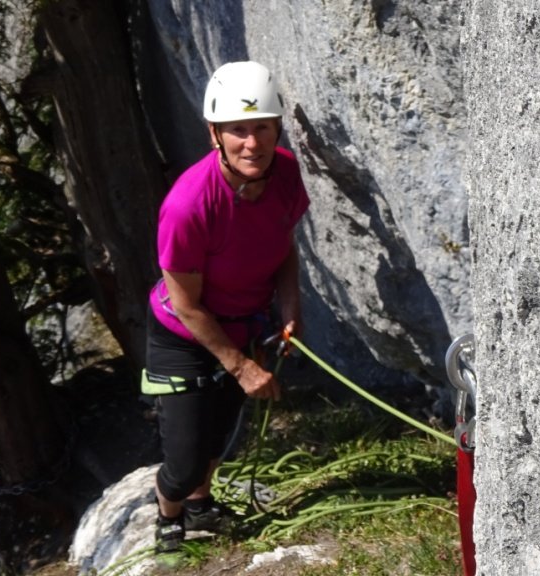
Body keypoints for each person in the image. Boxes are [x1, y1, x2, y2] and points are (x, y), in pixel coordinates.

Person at [142, 60, 310, 555]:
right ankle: (168, 514)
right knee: (185, 460)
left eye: (263, 128)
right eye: (238, 130)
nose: (252, 144)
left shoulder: (285, 172)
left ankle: (200, 505)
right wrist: (240, 367)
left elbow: (283, 245)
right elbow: (186, 304)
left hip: (244, 323)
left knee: (218, 438)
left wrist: (290, 306)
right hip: (184, 334)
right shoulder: (189, 205)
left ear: (277, 127)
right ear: (214, 133)